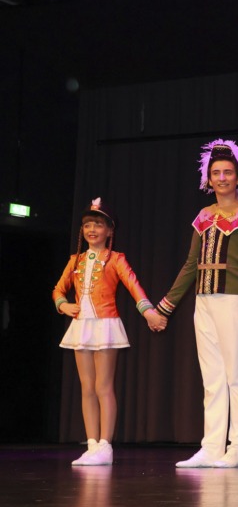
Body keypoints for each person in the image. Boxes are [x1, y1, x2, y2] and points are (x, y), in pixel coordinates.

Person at [157, 139, 238, 469]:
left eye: (227, 172)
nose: (222, 178)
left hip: (232, 299)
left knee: (237, 375)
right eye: (216, 173)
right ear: (208, 179)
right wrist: (165, 306)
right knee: (212, 378)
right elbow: (190, 265)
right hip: (203, 301)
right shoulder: (203, 216)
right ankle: (211, 446)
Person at [53, 198, 167, 466]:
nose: (92, 230)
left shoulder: (115, 259)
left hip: (105, 325)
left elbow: (134, 286)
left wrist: (148, 311)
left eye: (98, 225)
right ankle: (92, 443)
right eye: (87, 225)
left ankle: (106, 445)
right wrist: (63, 305)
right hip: (81, 326)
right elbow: (58, 289)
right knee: (86, 387)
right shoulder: (76, 260)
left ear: (109, 230)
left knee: (103, 386)